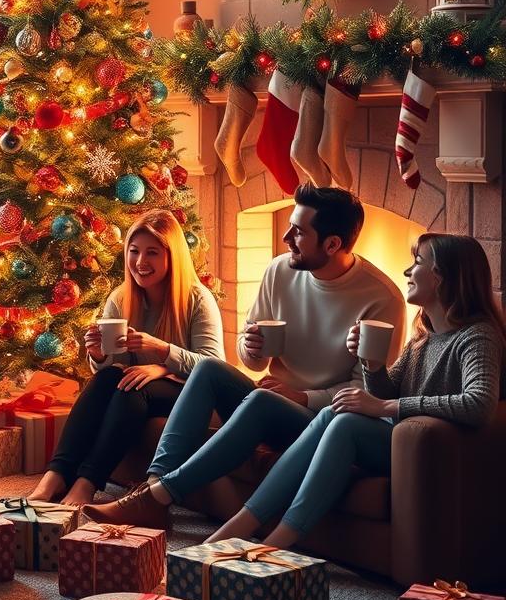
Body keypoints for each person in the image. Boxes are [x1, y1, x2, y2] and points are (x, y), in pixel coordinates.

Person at [84, 185, 406, 529]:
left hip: (317, 419)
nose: (286, 237)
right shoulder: (280, 270)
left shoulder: (381, 298)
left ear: (332, 244)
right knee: (208, 369)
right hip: (271, 395)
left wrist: (303, 397)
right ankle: (152, 491)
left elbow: (367, 393)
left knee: (261, 400)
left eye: (298, 232)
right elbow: (252, 362)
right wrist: (250, 349)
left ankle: (157, 496)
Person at [208, 234, 505, 547]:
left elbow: (478, 404)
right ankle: (244, 522)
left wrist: (385, 408)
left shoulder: (477, 337)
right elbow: (387, 390)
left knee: (347, 423)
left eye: (417, 263)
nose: (406, 272)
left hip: (428, 452)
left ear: (443, 277)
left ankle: (276, 543)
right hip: (401, 441)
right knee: (330, 413)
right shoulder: (424, 337)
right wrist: (371, 363)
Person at [28, 209, 224, 506]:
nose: (141, 263)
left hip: (193, 393)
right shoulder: (121, 297)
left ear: (172, 257)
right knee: (111, 377)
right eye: (134, 252)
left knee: (134, 388)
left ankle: (86, 483)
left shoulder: (198, 299)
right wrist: (99, 355)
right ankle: (56, 475)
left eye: (153, 253)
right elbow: (115, 367)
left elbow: (214, 367)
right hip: (140, 385)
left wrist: (162, 357)